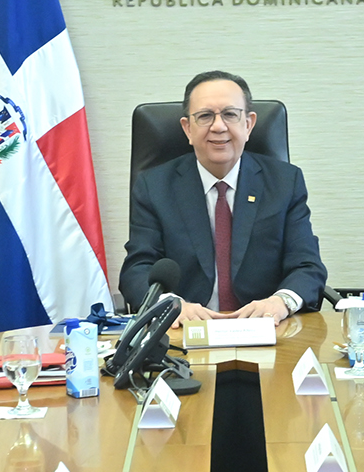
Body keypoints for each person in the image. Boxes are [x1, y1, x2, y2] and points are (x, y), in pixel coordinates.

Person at [117, 70, 326, 321]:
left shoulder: (284, 182)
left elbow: (307, 266)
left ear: (248, 124)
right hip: (185, 330)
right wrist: (169, 306)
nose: (218, 126)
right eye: (205, 116)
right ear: (187, 129)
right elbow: (137, 270)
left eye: (230, 114)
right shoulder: (154, 186)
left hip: (266, 327)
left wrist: (281, 302)